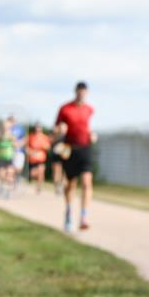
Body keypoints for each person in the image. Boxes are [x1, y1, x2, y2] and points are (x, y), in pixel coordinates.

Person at [55, 82, 96, 232]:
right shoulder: (65, 109)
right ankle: (68, 213)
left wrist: (92, 135)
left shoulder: (90, 109)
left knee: (87, 182)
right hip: (70, 149)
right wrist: (61, 130)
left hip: (85, 148)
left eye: (84, 92)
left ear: (87, 93)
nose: (81, 94)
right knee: (71, 184)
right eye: (79, 92)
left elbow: (87, 127)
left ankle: (84, 217)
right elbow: (57, 128)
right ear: (75, 92)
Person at [26, 124, 52, 194]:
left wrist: (45, 147)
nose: (38, 130)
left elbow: (48, 147)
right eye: (36, 128)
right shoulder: (31, 137)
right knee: (32, 173)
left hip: (41, 159)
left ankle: (38, 187)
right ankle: (29, 177)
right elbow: (26, 147)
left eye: (39, 128)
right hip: (32, 159)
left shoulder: (45, 137)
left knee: (41, 172)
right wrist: (30, 152)